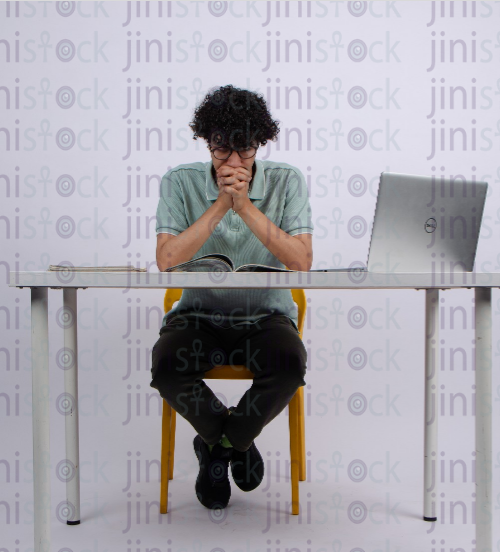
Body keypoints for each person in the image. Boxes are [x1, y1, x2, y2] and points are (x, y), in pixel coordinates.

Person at [150, 85, 314, 510]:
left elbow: (301, 261)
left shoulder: (287, 180)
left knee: (289, 365)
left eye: (246, 149)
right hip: (199, 316)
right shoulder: (179, 181)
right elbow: (167, 260)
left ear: (260, 143)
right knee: (168, 367)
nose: (236, 162)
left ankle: (221, 447)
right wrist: (222, 204)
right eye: (224, 150)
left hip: (265, 318)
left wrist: (246, 207)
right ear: (208, 142)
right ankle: (237, 442)